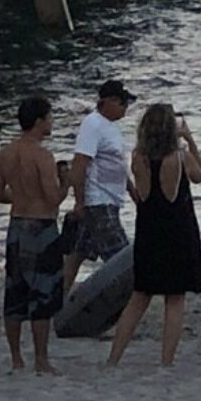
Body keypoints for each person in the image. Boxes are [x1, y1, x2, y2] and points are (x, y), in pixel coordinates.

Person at [106, 104, 201, 368]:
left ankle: (114, 358)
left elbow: (141, 194)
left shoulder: (138, 156)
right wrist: (189, 138)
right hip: (178, 231)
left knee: (139, 296)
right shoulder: (180, 157)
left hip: (149, 230)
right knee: (174, 299)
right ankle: (166, 361)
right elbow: (200, 176)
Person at [0, 96, 65, 374]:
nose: (52, 122)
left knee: (15, 291)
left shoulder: (5, 154)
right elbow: (52, 198)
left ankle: (16, 358)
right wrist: (67, 184)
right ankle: (41, 360)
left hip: (17, 224)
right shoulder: (42, 156)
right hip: (41, 227)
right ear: (38, 122)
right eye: (49, 117)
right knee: (42, 294)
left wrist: (22, 195)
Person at [63, 80, 138, 293]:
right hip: (98, 203)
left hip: (108, 201)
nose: (125, 107)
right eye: (123, 102)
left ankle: (56, 303)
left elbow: (118, 166)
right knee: (121, 258)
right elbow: (80, 164)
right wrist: (79, 202)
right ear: (109, 101)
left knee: (75, 257)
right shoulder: (93, 123)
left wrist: (133, 194)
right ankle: (124, 304)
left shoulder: (111, 128)